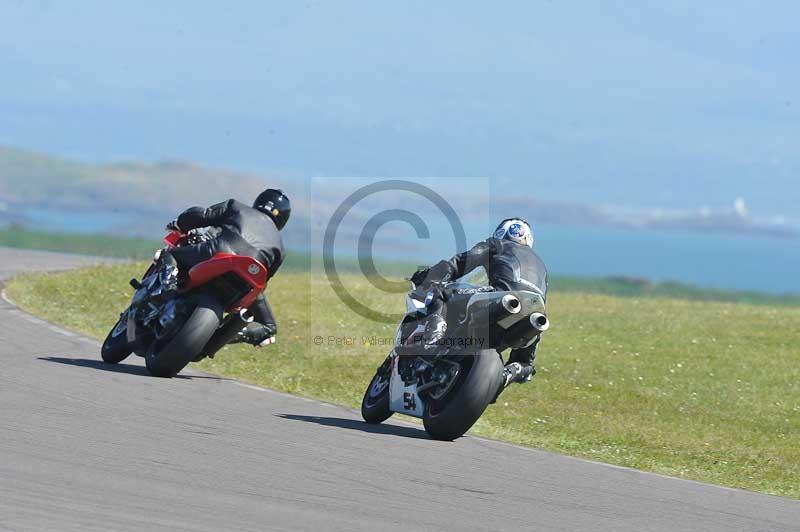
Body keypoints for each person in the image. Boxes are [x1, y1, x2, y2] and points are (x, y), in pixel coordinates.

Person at [410, 218, 547, 387]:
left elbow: (461, 262)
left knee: (440, 292)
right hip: (533, 316)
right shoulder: (541, 266)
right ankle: (509, 373)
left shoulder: (496, 243)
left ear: (500, 233)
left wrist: (427, 277)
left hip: (502, 298)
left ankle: (431, 340)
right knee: (526, 362)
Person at [162, 189, 290, 348]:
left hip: (217, 253)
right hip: (247, 280)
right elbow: (264, 281)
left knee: (170, 254)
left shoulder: (236, 206)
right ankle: (228, 334)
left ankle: (165, 293)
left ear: (259, 202)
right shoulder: (280, 248)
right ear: (283, 219)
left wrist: (180, 223)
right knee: (269, 328)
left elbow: (203, 215)